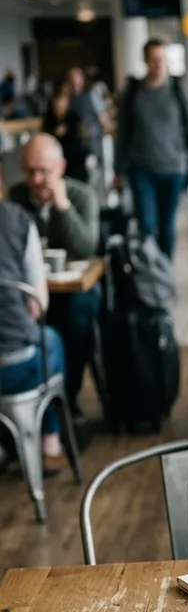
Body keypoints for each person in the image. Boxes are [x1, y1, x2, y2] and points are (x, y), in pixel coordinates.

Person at [8, 135, 100, 419]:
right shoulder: (16, 199)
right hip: (31, 293)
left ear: (60, 167)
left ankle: (65, 398)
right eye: (29, 170)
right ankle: (32, 401)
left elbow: (86, 247)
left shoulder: (81, 196)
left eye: (43, 171)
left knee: (76, 314)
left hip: (72, 289)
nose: (36, 179)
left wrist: (62, 207)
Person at [114, 38, 188, 260]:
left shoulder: (177, 90)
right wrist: (118, 170)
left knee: (167, 225)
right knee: (146, 224)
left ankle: (164, 269)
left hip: (173, 168)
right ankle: (148, 268)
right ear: (146, 61)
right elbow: (123, 135)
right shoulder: (134, 93)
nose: (159, 65)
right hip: (141, 168)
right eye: (154, 60)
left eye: (162, 60)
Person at [0, 198, 69, 476]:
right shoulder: (16, 219)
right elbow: (38, 302)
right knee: (50, 340)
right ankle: (51, 440)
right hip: (16, 366)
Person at [42, 89, 89, 182]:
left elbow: (77, 139)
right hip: (56, 157)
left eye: (64, 101)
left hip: (74, 160)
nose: (61, 105)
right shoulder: (49, 119)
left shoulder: (72, 117)